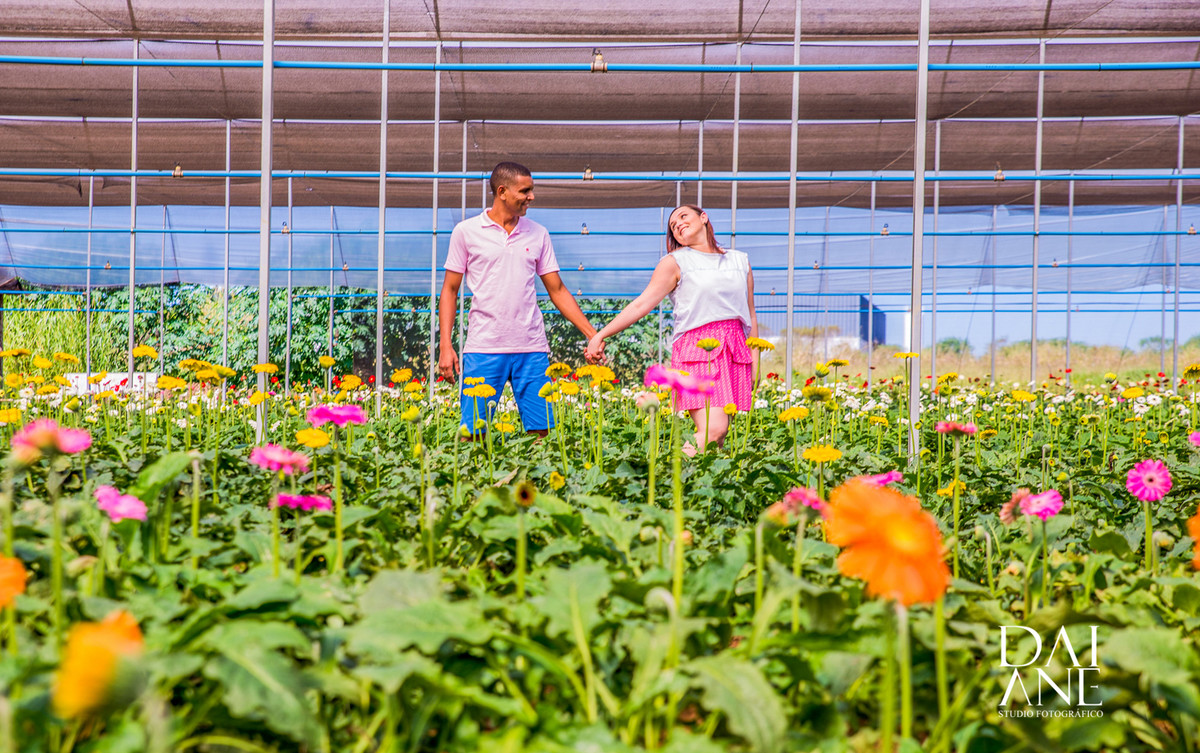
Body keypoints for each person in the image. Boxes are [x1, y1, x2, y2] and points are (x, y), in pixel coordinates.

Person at [438, 161, 602, 435]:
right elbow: (450, 290)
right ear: (502, 191)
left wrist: (592, 334)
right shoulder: (466, 232)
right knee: (474, 432)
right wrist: (445, 345)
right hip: (483, 348)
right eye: (525, 191)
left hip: (532, 348)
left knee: (541, 430)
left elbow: (558, 290)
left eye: (532, 190)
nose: (531, 197)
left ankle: (535, 478)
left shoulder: (538, 233)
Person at [586, 204, 757, 453]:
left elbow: (750, 312)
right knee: (714, 429)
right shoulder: (674, 262)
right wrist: (600, 334)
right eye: (673, 226)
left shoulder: (739, 260)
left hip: (734, 347)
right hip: (699, 348)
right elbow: (641, 304)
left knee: (717, 437)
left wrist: (755, 360)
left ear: (704, 218)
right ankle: (671, 474)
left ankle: (698, 487)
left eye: (683, 216)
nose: (677, 224)